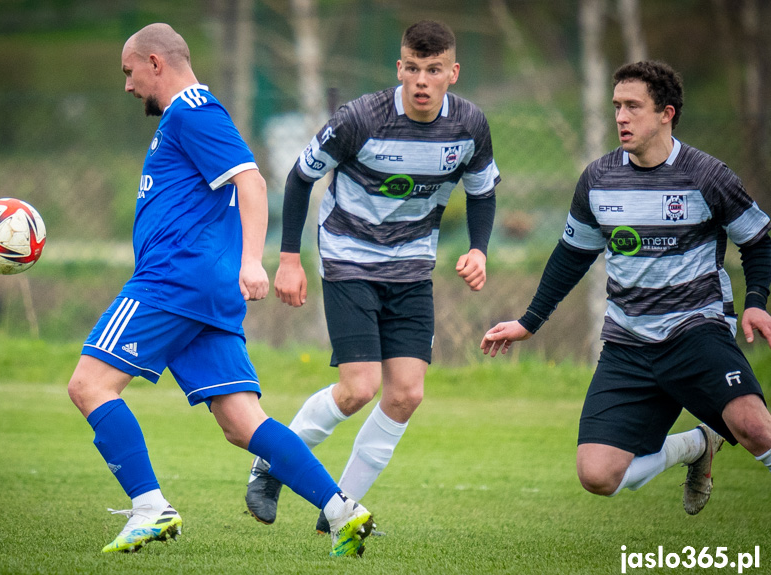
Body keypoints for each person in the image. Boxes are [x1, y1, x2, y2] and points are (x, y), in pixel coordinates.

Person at [66, 23, 374, 557]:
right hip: (201, 293)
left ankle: (149, 509)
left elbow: (251, 182)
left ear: (155, 63)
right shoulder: (187, 116)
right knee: (241, 422)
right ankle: (341, 510)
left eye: (129, 71)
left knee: (90, 385)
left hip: (171, 282)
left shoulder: (193, 111)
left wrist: (253, 261)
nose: (127, 85)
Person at [482, 60, 771, 513]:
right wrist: (528, 322)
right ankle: (697, 446)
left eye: (633, 106)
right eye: (616, 106)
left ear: (666, 114)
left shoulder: (707, 175)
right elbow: (571, 257)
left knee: (756, 430)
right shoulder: (598, 179)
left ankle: (714, 435)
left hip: (696, 330)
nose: (620, 116)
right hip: (628, 343)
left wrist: (755, 303)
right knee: (597, 475)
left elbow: (757, 241)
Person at [245, 20, 500, 533]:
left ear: (453, 73)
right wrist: (289, 258)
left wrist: (478, 249)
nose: (421, 80)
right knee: (359, 388)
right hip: (349, 258)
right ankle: (270, 466)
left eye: (433, 70)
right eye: (412, 68)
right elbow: (299, 177)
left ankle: (338, 514)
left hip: (412, 269)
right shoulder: (360, 118)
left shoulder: (470, 125)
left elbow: (482, 190)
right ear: (399, 68)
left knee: (406, 393)